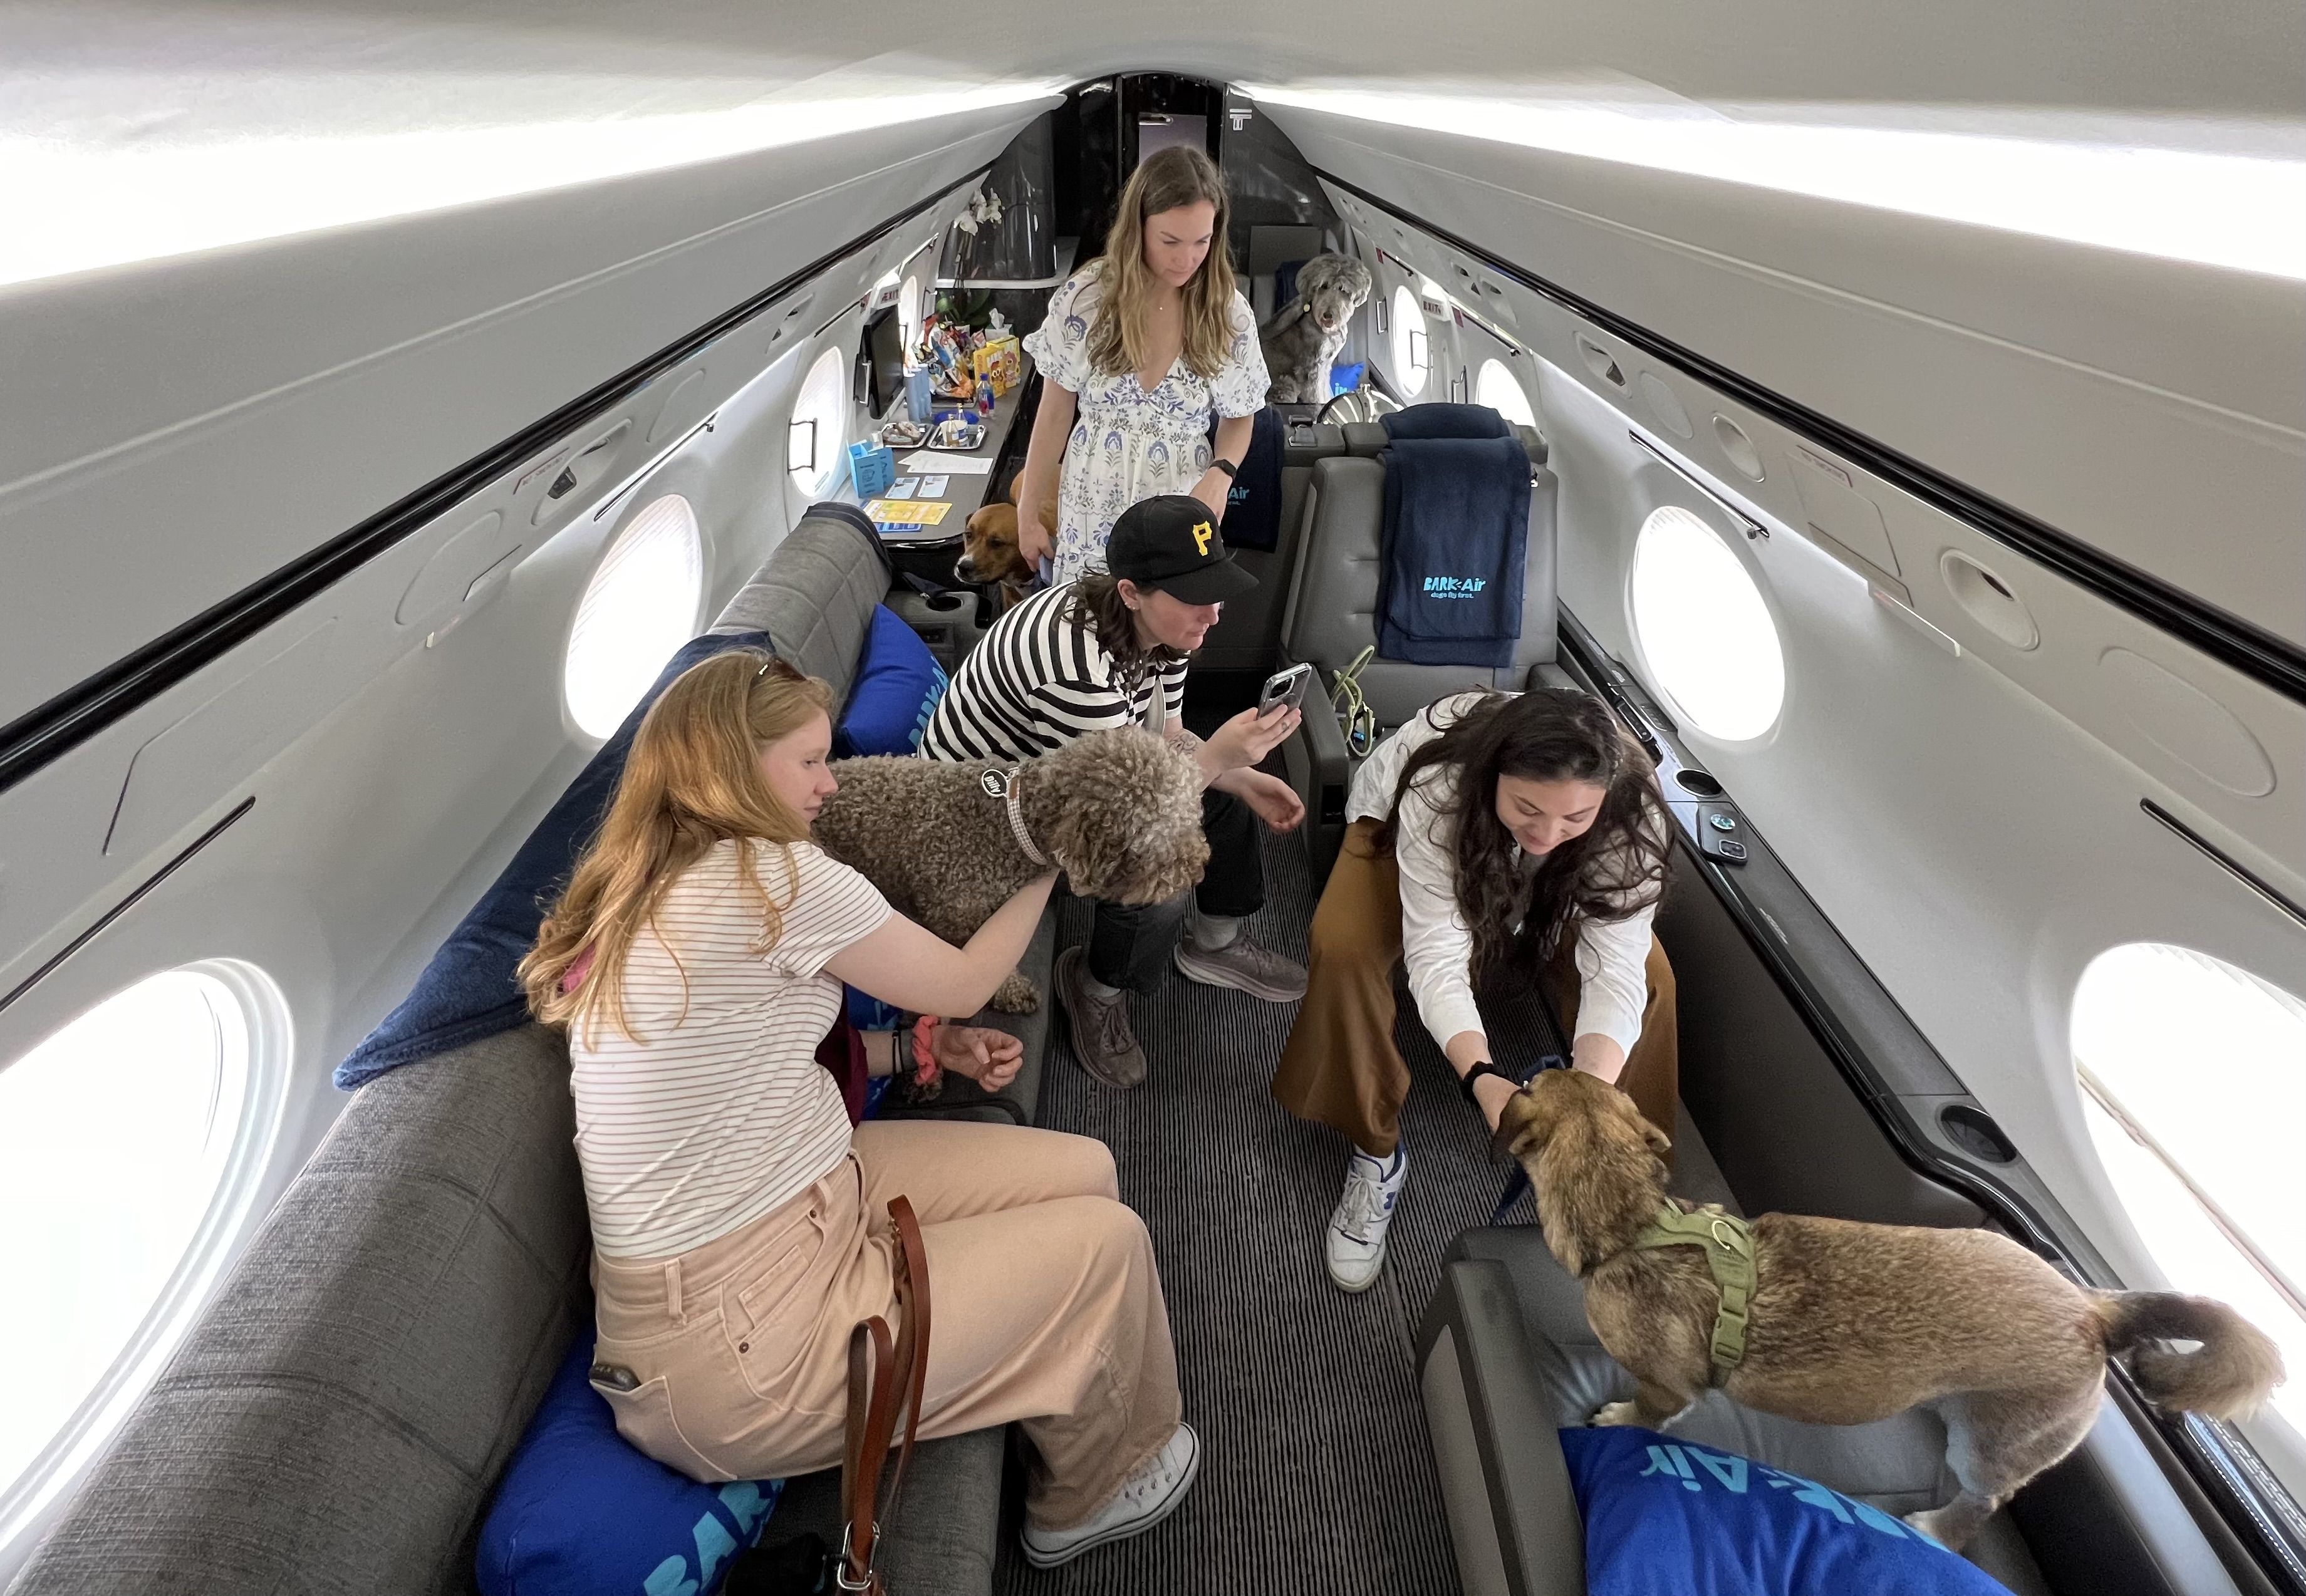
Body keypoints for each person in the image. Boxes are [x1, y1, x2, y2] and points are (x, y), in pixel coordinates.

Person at [518, 651, 1197, 1569]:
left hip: (794, 1207)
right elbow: (964, 981)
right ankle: (1088, 1494)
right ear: (730, 763)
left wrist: (917, 1053)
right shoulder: (775, 878)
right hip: (736, 1346)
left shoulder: (659, 874)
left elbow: (752, 1060)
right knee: (1111, 1249)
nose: (828, 784)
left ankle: (1061, 1374)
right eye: (807, 761)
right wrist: (1051, 853)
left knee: (1086, 1170)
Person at [1269, 687, 1679, 1293]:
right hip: (1404, 829)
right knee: (1343, 947)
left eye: (1575, 817)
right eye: (1528, 808)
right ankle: (1373, 1150)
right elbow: (1437, 952)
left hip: (1555, 864)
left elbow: (1613, 965)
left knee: (1651, 981)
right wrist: (1480, 1075)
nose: (1548, 832)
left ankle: (1617, 1168)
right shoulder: (1441, 781)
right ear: (1494, 778)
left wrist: (1589, 1090)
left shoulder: (1630, 809)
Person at [921, 494, 1306, 1088]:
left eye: (1217, 591)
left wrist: (1238, 775)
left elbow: (1169, 739)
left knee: (1223, 797)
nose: (1213, 615)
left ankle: (1214, 944)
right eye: (1195, 598)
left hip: (1070, 775)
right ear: (1130, 592)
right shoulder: (1075, 671)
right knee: (1156, 875)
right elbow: (1124, 817)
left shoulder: (1158, 630)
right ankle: (1094, 987)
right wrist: (1219, 758)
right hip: (983, 821)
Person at [1015, 145, 1269, 587]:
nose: (1187, 259)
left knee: (1168, 637)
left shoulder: (1229, 313)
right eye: (1170, 241)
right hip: (1091, 502)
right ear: (1138, 228)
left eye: (1201, 242)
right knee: (1087, 637)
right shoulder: (1087, 299)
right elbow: (1054, 412)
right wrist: (1028, 512)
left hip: (1180, 503)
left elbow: (1240, 415)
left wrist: (1220, 475)